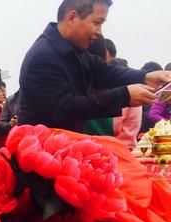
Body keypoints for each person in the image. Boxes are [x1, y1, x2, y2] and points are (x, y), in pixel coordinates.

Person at [18, 0, 171, 132]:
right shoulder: (43, 57)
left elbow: (106, 72)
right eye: (97, 22)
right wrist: (125, 96)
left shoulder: (74, 50)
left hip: (64, 148)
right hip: (41, 155)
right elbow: (67, 108)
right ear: (72, 17)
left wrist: (146, 77)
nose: (99, 32)